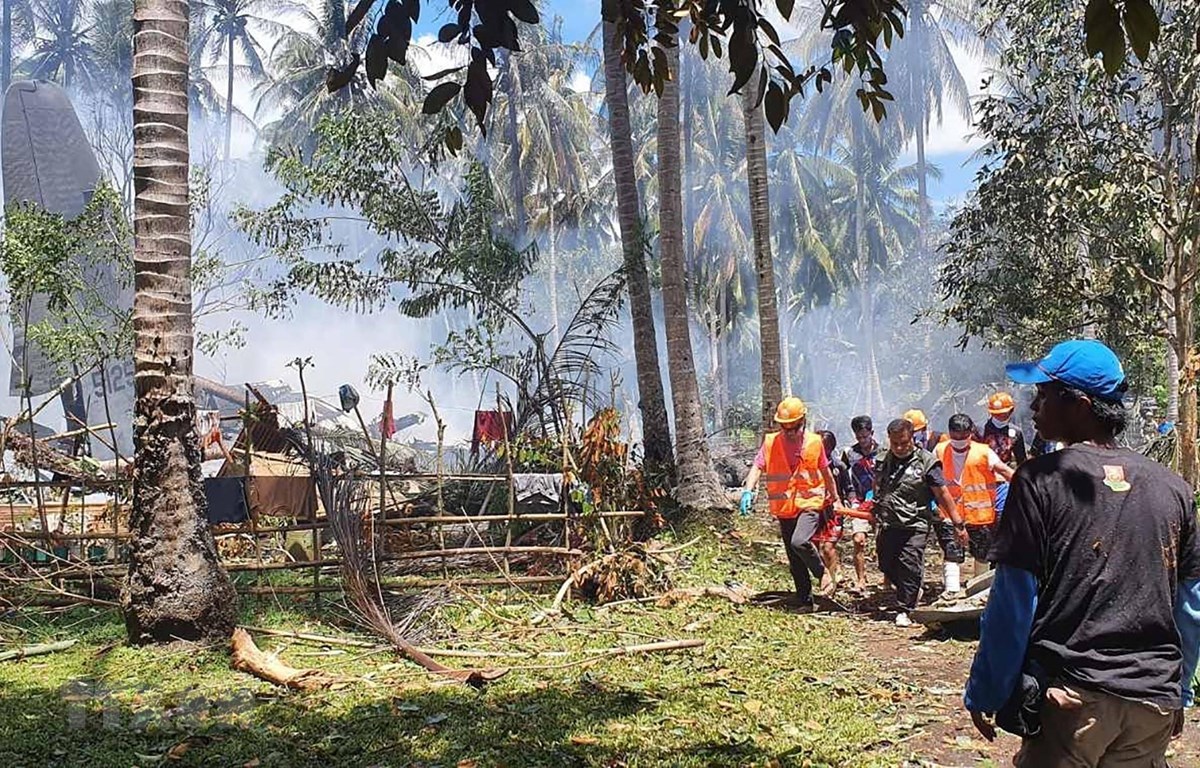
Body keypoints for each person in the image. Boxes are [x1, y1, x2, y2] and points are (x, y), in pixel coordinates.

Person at [964, 339, 1200, 767]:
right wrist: (1179, 690)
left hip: (1074, 699)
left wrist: (988, 688)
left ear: (1078, 403)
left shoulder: (1040, 481)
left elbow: (1013, 603)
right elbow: (1191, 605)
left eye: (1043, 394)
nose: (1034, 407)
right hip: (1152, 705)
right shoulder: (1174, 490)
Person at [739, 397, 843, 612]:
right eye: (785, 428)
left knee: (799, 541)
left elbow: (826, 473)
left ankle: (822, 572)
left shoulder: (815, 442)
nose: (790, 432)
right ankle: (805, 601)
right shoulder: (771, 443)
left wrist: (835, 498)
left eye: (794, 428)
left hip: (810, 503)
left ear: (802, 421)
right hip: (785, 508)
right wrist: (748, 490)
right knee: (794, 557)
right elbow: (757, 467)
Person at [866, 418, 966, 627]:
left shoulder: (926, 462)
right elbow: (878, 484)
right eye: (895, 444)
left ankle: (905, 608)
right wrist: (874, 506)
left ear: (912, 438)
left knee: (910, 564)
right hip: (889, 522)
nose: (900, 448)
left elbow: (942, 493)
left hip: (915, 523)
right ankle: (909, 590)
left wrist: (958, 523)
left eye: (904, 442)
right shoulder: (883, 459)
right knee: (886, 563)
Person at [935, 414, 1013, 590]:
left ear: (971, 433)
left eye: (963, 437)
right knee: (952, 553)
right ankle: (951, 593)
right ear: (949, 433)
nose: (959, 441)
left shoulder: (984, 452)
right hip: (949, 514)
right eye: (955, 436)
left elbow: (1007, 472)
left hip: (980, 516)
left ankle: (980, 591)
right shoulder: (939, 450)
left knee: (982, 555)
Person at [842, 415, 878, 593]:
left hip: (880, 503)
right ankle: (860, 580)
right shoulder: (850, 453)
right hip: (859, 503)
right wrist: (850, 497)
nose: (863, 441)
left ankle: (887, 580)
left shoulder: (884, 452)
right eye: (859, 437)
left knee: (884, 542)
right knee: (858, 539)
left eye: (866, 436)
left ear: (872, 432)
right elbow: (841, 474)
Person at [814, 430, 851, 596]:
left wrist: (852, 502)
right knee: (813, 546)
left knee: (828, 547)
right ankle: (823, 576)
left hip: (834, 511)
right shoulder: (808, 464)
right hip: (814, 509)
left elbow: (849, 488)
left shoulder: (838, 467)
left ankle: (833, 582)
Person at [979, 392, 1027, 469]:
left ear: (1011, 411)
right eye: (996, 413)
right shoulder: (980, 429)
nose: (1000, 416)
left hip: (1005, 473)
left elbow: (1021, 459)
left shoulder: (1016, 432)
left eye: (1003, 413)